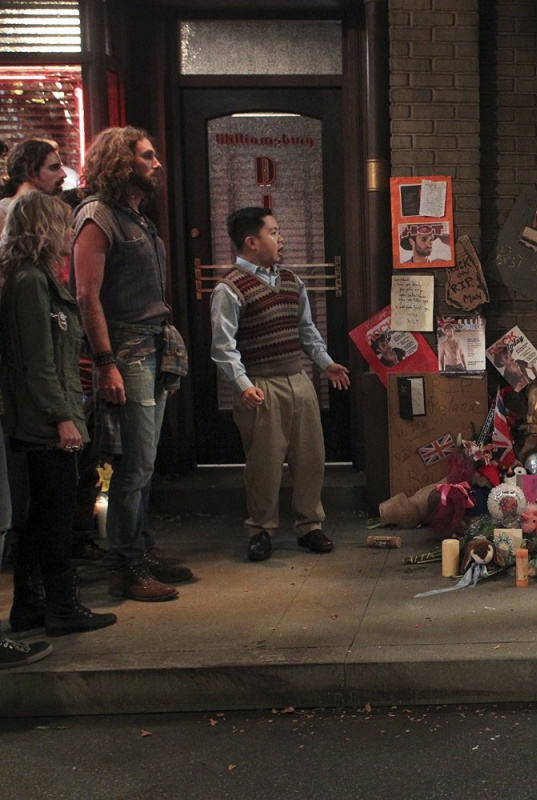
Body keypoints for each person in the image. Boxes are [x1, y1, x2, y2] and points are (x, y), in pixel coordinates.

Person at [73, 126, 193, 601]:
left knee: (145, 461)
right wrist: (105, 362)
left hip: (151, 345)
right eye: (146, 156)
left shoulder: (135, 216)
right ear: (121, 163)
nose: (156, 163)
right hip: (127, 349)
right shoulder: (98, 215)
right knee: (133, 464)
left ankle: (138, 548)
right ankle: (125, 564)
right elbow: (86, 295)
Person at [0, 192, 118, 638]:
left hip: (48, 414)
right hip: (43, 421)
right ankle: (61, 606)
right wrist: (62, 417)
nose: (71, 234)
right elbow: (38, 362)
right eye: (65, 225)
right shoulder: (30, 282)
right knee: (54, 514)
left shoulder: (38, 280)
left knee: (44, 513)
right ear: (44, 229)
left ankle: (31, 605)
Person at [210, 207, 350, 562]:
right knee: (264, 464)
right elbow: (223, 347)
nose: (281, 238)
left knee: (311, 457)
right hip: (260, 385)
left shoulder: (290, 280)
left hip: (298, 379)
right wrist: (243, 385)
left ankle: (310, 526)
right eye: (273, 232)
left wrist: (326, 364)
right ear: (251, 242)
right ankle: (260, 529)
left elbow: (306, 330)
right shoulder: (230, 288)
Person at [0, 139, 66, 231]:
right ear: (30, 173)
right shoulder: (3, 213)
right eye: (53, 168)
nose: (63, 174)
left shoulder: (55, 213)